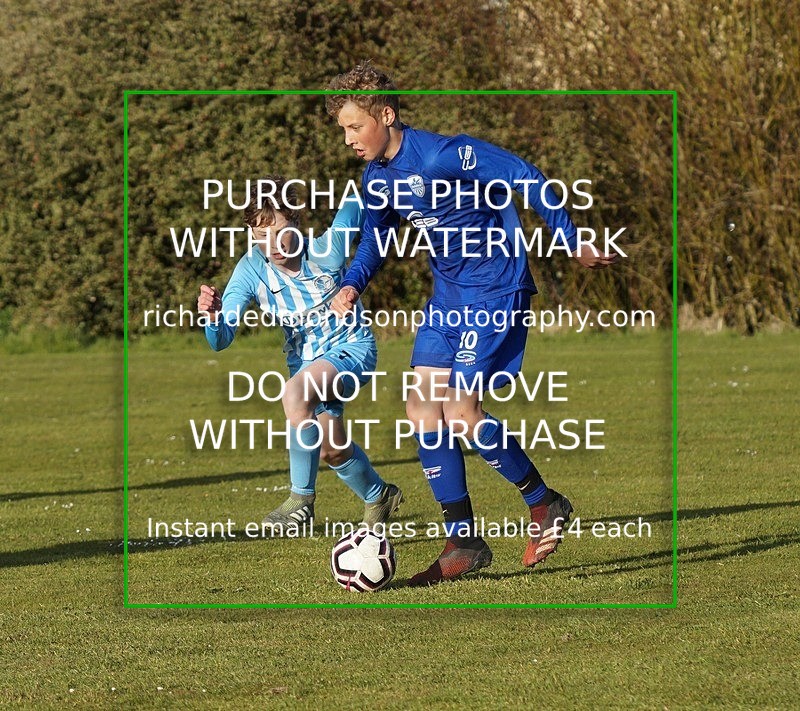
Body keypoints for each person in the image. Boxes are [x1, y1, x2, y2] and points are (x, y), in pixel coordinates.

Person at [325, 62, 618, 585]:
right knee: (422, 410)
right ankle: (463, 541)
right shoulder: (377, 178)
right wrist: (352, 284)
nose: (348, 139)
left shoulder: (442, 154)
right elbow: (375, 238)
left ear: (386, 115)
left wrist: (571, 239)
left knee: (461, 411)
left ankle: (544, 502)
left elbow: (524, 175)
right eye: (343, 129)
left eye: (354, 126)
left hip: (495, 289)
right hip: (449, 298)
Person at [197, 174, 403, 535]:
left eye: (280, 231)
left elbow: (357, 201)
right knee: (331, 450)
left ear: (296, 220)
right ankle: (379, 495)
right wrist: (213, 318)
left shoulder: (327, 250)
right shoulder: (250, 270)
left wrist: (389, 175)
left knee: (294, 393)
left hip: (352, 350)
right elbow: (220, 339)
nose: (273, 244)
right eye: (261, 235)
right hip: (306, 365)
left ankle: (301, 500)